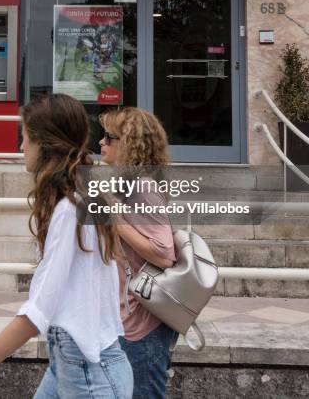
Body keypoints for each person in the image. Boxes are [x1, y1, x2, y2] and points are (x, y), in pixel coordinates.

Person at [0, 94, 133, 399]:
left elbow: (37, 312)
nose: (21, 146)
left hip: (90, 374)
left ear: (45, 143)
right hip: (77, 361)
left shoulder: (70, 209)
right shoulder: (86, 197)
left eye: (24, 137)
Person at [99, 108, 177, 399]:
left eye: (109, 137)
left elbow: (164, 253)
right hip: (128, 320)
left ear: (129, 143)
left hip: (144, 325)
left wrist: (115, 220)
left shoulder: (142, 187)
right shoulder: (127, 185)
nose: (101, 142)